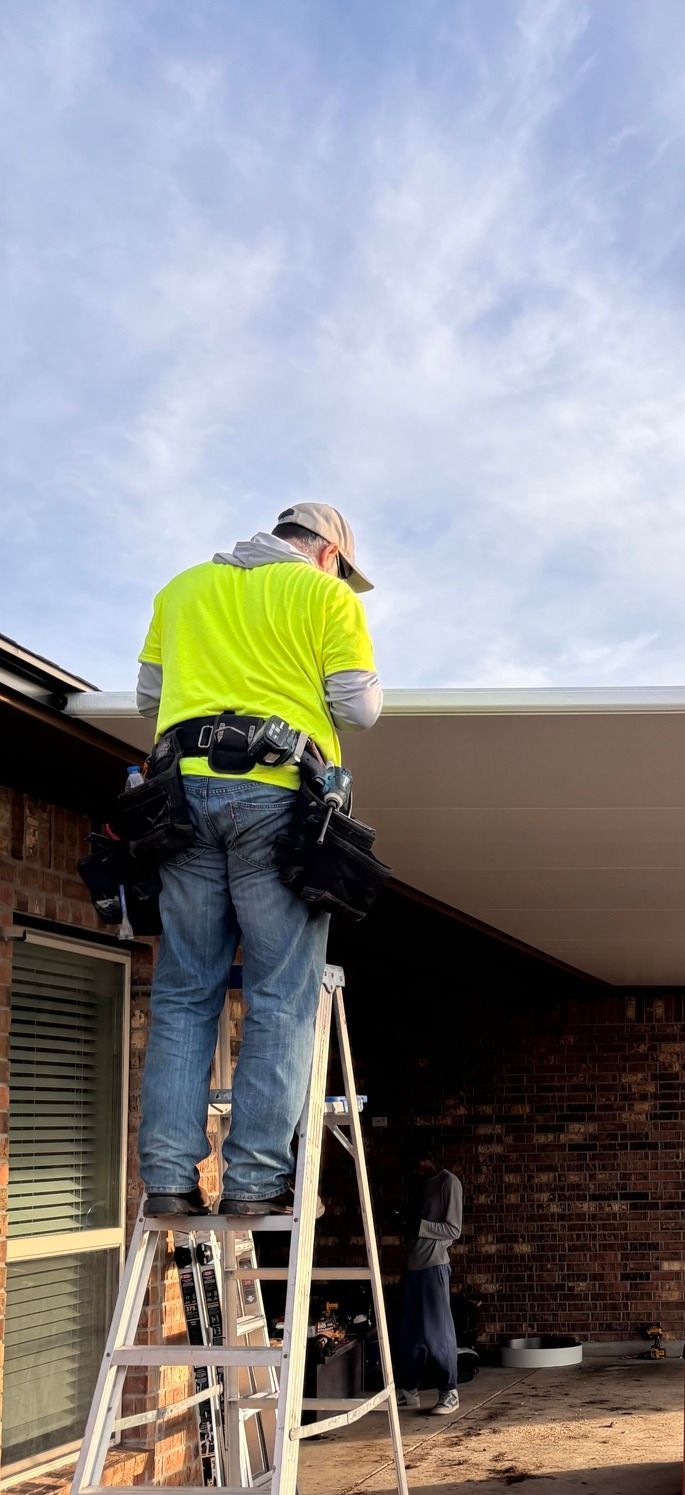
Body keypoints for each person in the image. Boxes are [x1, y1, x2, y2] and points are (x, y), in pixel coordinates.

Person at [136, 504, 382, 1219]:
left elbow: (152, 698)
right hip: (274, 800)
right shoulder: (321, 594)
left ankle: (169, 1181)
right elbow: (359, 708)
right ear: (328, 553)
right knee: (279, 996)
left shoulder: (181, 590)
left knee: (185, 992)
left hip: (180, 799)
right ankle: (253, 1182)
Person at [397, 1153, 464, 1417]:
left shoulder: (448, 1182)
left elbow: (453, 1230)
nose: (415, 1169)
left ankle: (450, 1392)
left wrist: (419, 1226)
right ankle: (409, 1391)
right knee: (409, 1335)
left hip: (434, 1265)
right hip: (412, 1265)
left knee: (438, 1333)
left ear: (429, 1158)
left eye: (418, 1163)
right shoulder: (419, 1184)